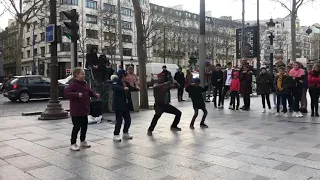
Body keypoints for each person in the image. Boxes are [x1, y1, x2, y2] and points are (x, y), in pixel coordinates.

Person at [64, 67, 100, 151]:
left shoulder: (84, 84)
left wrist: (95, 95)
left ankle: (83, 141)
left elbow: (90, 92)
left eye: (84, 74)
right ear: (76, 75)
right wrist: (77, 95)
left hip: (84, 109)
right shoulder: (73, 84)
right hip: (76, 110)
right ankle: (73, 143)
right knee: (76, 127)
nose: (84, 75)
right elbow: (66, 93)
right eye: (82, 74)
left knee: (84, 126)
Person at [111, 75, 133, 142]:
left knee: (128, 119)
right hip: (118, 104)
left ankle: (125, 132)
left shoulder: (126, 83)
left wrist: (136, 88)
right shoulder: (116, 81)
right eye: (126, 76)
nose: (127, 78)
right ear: (122, 77)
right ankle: (116, 134)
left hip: (125, 104)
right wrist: (123, 88)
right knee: (119, 120)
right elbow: (114, 87)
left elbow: (129, 88)